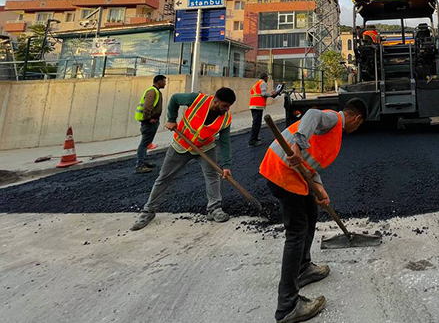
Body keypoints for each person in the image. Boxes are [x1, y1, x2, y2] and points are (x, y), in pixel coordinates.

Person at [260, 99, 368, 323]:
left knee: (311, 213)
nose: (356, 129)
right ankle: (287, 306)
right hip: (282, 174)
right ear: (357, 118)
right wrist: (298, 143)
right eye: (359, 125)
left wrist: (319, 187)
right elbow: (311, 114)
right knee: (296, 232)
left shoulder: (334, 130)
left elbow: (310, 163)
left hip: (294, 175)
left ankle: (303, 268)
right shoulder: (333, 119)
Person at [130, 87, 237, 231]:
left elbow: (225, 142)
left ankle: (214, 209)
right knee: (164, 177)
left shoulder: (226, 119)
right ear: (215, 101)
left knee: (212, 176)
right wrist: (171, 119)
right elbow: (174, 99)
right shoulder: (197, 99)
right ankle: (148, 211)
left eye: (229, 106)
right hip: (181, 144)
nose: (226, 109)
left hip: (205, 147)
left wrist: (226, 165)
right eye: (225, 106)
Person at [133, 75, 167, 174]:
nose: (165, 83)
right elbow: (147, 107)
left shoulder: (155, 91)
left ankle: (143, 161)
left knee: (146, 143)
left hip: (152, 121)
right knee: (144, 144)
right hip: (149, 122)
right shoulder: (152, 91)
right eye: (164, 81)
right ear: (159, 81)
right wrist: (149, 119)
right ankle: (140, 166)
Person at [249, 73, 278, 147]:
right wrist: (272, 95)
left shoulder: (256, 84)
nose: (267, 80)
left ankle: (255, 138)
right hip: (258, 106)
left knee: (256, 123)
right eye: (267, 78)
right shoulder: (263, 83)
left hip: (253, 105)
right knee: (256, 124)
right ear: (265, 77)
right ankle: (252, 141)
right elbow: (263, 93)